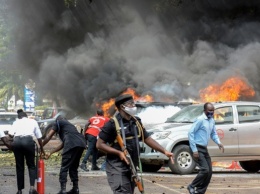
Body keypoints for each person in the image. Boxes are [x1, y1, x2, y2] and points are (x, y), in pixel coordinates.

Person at [96, 94, 174, 194]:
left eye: (133, 103)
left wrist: (165, 151)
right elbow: (99, 144)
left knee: (129, 191)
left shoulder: (136, 122)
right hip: (117, 166)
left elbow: (147, 139)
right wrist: (118, 153)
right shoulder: (112, 124)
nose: (133, 106)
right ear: (122, 107)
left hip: (132, 165)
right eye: (130, 104)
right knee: (122, 191)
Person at [42, 114, 86, 194]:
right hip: (81, 144)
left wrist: (41, 147)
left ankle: (63, 190)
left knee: (64, 167)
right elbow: (63, 144)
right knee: (73, 167)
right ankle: (75, 189)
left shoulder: (58, 122)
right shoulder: (70, 127)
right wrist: (51, 152)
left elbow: (48, 136)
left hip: (72, 143)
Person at [187, 102, 224, 194]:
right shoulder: (200, 120)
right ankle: (191, 186)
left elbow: (213, 133)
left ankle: (200, 192)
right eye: (209, 110)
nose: (211, 112)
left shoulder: (211, 120)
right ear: (204, 111)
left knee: (209, 172)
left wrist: (219, 143)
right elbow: (190, 133)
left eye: (213, 110)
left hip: (204, 148)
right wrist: (194, 149)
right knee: (205, 170)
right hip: (197, 148)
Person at [8, 109, 45, 194]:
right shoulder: (33, 121)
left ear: (19, 117)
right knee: (31, 165)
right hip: (28, 142)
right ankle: (32, 188)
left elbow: (10, 134)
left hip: (17, 143)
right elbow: (39, 137)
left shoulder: (16, 122)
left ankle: (19, 190)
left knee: (19, 166)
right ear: (26, 116)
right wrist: (42, 149)